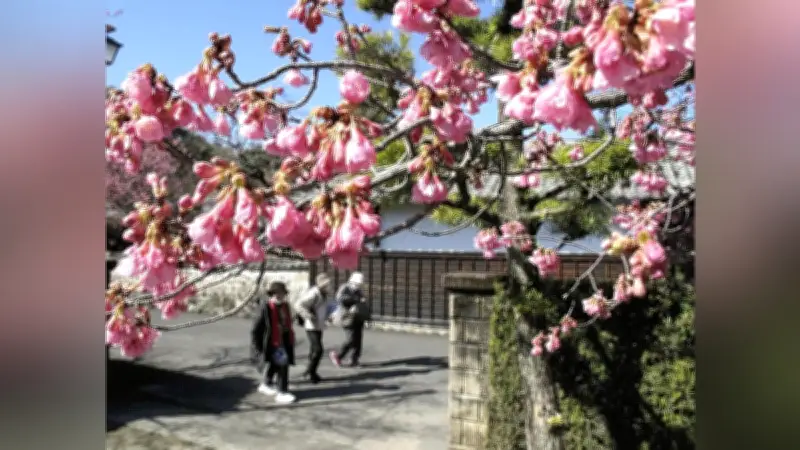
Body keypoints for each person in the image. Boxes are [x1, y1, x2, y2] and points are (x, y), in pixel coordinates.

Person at [250, 281, 297, 404]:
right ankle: (282, 392)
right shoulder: (266, 307)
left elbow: (287, 321)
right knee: (283, 364)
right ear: (271, 294)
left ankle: (266, 384)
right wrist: (256, 345)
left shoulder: (285, 306)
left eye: (281, 293)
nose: (279, 295)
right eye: (276, 293)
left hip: (284, 340)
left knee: (275, 364)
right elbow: (256, 328)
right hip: (271, 342)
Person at [293, 274, 332, 384]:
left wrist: (327, 316)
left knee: (313, 351)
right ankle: (310, 372)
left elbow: (322, 308)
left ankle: (311, 373)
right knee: (318, 350)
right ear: (322, 284)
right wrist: (308, 315)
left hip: (319, 325)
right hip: (311, 325)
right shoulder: (314, 293)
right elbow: (298, 304)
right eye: (327, 284)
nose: (329, 286)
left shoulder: (323, 294)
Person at [329, 272, 371, 368]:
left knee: (358, 340)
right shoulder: (345, 288)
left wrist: (368, 318)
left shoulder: (359, 291)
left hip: (358, 318)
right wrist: (355, 300)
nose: (357, 286)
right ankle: (338, 356)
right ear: (352, 281)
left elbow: (363, 305)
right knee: (351, 339)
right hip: (347, 317)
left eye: (359, 284)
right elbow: (340, 298)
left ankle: (355, 359)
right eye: (356, 284)